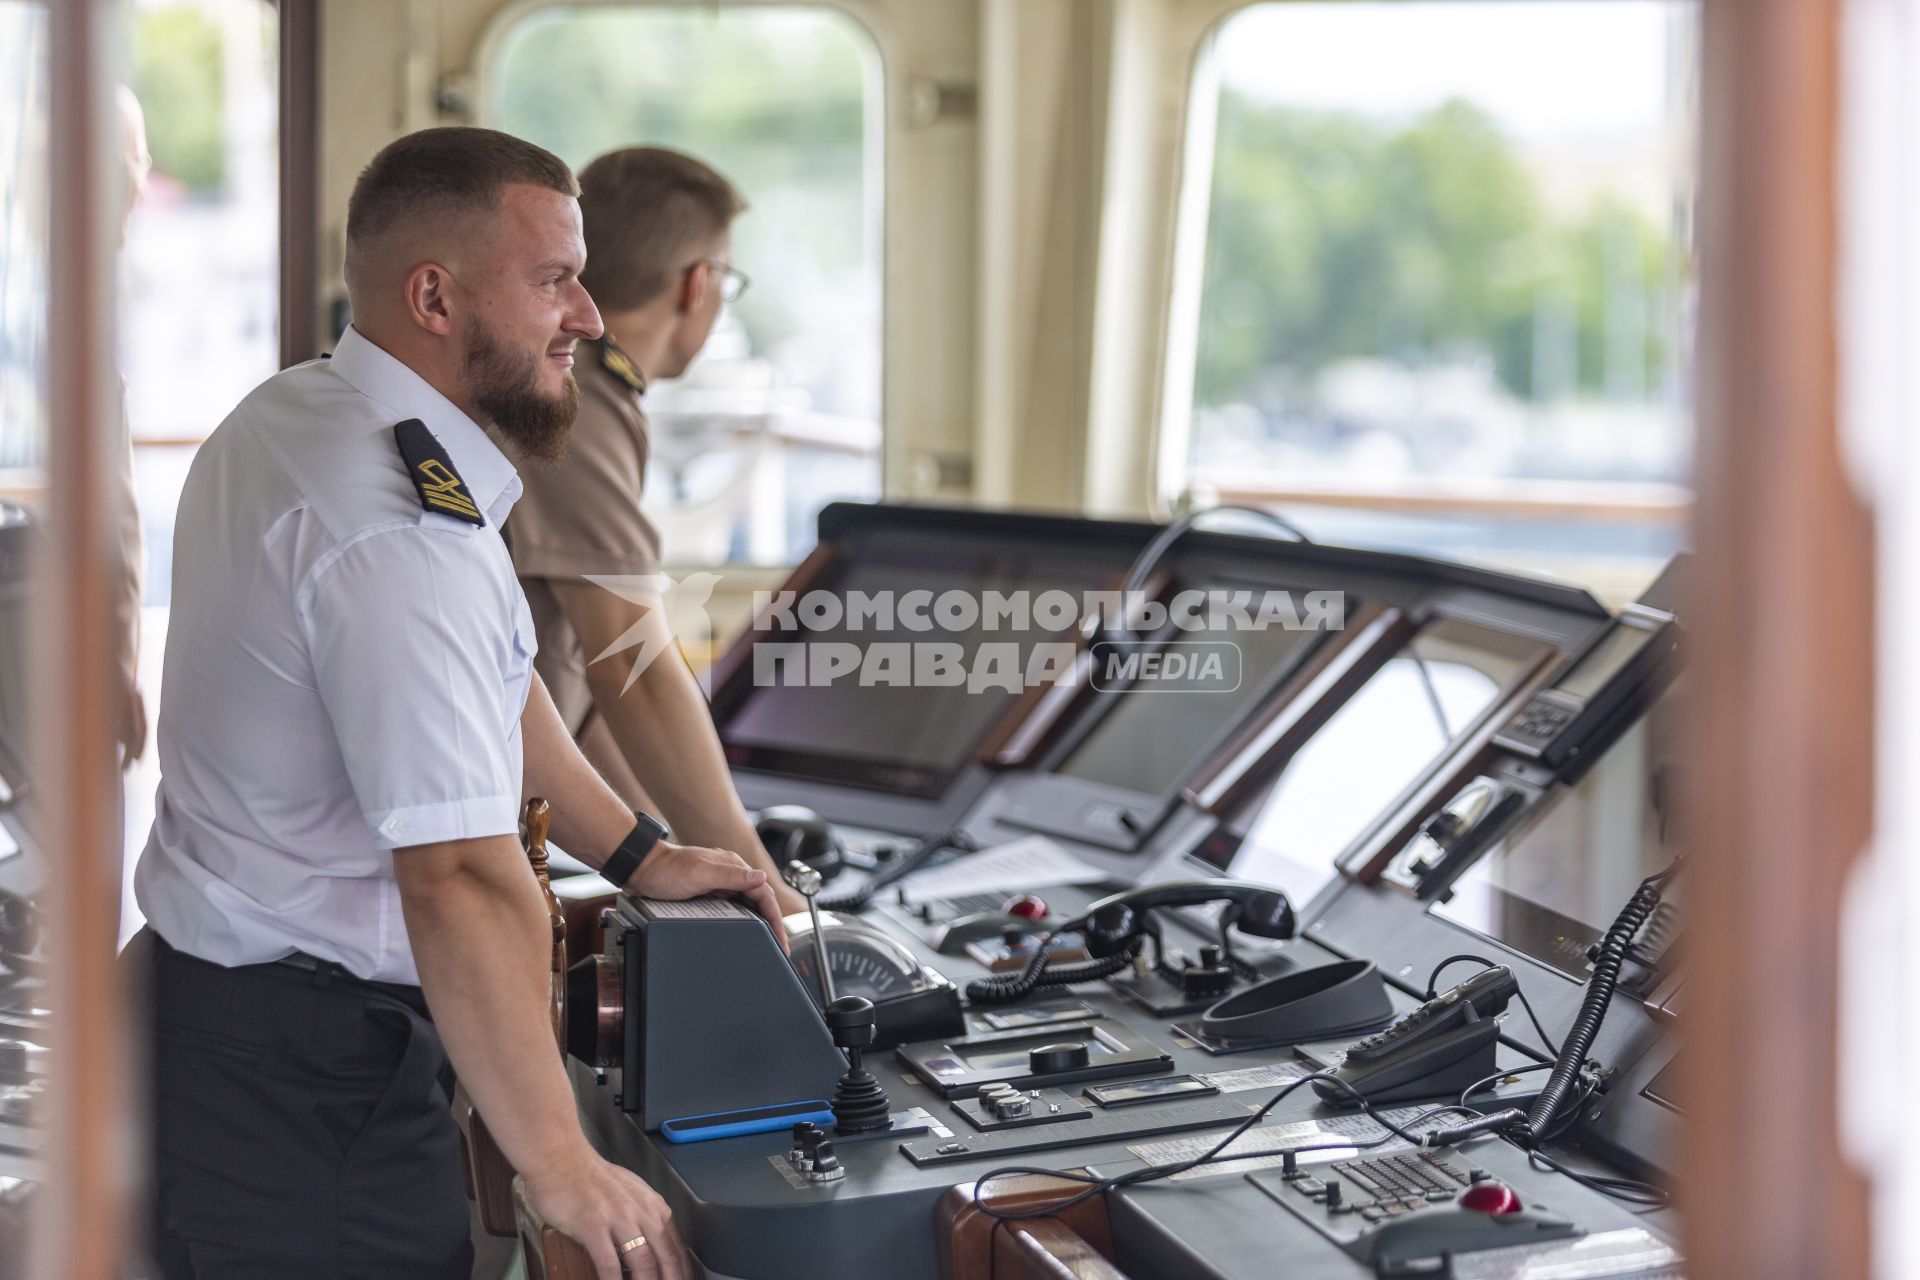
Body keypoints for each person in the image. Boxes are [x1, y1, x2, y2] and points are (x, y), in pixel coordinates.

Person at [130, 126, 783, 1280]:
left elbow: (491, 681)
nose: (585, 313)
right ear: (433, 295)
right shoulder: (395, 528)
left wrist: (639, 852)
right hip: (301, 1082)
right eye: (553, 280)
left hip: (223, 1028)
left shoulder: (308, 414)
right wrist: (562, 1162)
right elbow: (459, 874)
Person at [498, 147, 802, 912]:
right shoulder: (577, 403)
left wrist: (669, 847)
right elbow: (628, 666)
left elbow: (579, 697)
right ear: (699, 283)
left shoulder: (590, 393)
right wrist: (769, 891)